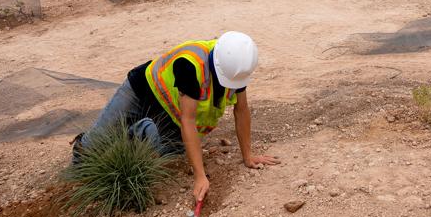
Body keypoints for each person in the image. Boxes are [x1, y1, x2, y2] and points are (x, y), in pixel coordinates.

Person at [72, 31, 280, 202]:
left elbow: (241, 110)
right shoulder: (191, 65)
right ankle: (96, 146)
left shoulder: (236, 67)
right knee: (93, 148)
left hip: (171, 116)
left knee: (159, 154)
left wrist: (248, 156)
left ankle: (142, 132)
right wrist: (200, 176)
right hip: (141, 90)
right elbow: (188, 121)